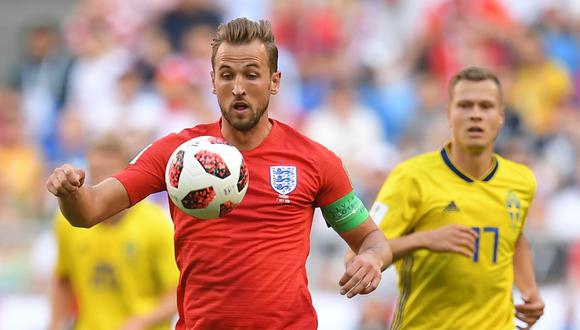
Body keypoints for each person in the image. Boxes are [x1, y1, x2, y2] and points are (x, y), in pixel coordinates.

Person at [46, 18, 393, 329]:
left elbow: (372, 239)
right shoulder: (177, 154)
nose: (238, 87)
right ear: (212, 81)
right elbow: (89, 211)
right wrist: (70, 192)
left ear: (274, 81)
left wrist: (371, 258)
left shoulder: (315, 161)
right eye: (227, 75)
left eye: (251, 74)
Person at [361, 66, 545, 329]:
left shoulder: (521, 180)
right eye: (465, 105)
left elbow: (514, 237)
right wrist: (424, 239)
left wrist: (530, 290)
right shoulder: (411, 177)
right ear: (448, 114)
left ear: (501, 116)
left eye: (486, 106)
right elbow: (360, 253)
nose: (475, 115)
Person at [49, 134, 179, 330]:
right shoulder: (67, 222)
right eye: (96, 172)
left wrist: (142, 322)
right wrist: (55, 324)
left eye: (108, 174)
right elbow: (63, 279)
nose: (101, 182)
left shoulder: (155, 223)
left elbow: (176, 293)